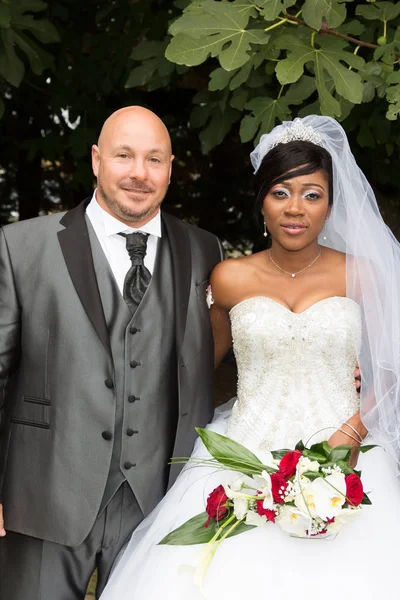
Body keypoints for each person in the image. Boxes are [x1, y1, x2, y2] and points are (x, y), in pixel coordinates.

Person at [99, 116, 400, 600]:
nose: (295, 209)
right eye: (280, 192)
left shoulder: (364, 275)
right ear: (261, 201)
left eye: (312, 194)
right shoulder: (229, 278)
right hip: (244, 456)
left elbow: (390, 373)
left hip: (346, 452)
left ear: (330, 204)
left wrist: (349, 435)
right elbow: (197, 366)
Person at [0, 106, 223, 599]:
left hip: (159, 501)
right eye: (125, 156)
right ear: (97, 159)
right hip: (44, 492)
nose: (139, 173)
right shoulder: (21, 246)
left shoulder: (206, 251)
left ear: (170, 168)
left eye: (154, 159)